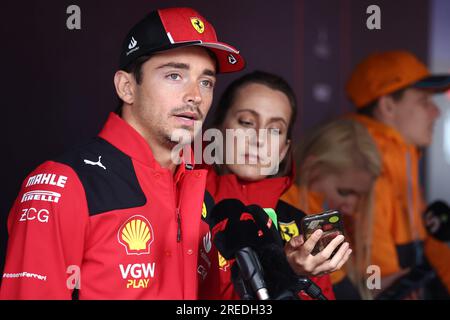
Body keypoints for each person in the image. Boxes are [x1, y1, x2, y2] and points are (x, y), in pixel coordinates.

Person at [0, 7, 245, 299]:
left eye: (206, 82)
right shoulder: (61, 185)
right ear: (127, 87)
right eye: (174, 75)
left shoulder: (199, 194)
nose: (195, 95)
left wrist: (285, 270)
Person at [199, 71, 352, 300]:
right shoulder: (183, 203)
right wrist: (285, 272)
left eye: (275, 130)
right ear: (218, 130)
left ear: (283, 149)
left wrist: (296, 273)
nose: (259, 138)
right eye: (246, 122)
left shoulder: (299, 228)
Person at [345, 50, 450, 297]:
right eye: (425, 101)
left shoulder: (402, 156)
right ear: (388, 106)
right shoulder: (365, 168)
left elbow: (426, 246)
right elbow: (383, 285)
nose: (436, 112)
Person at [281, 118, 382, 299]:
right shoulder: (288, 209)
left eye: (361, 196)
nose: (352, 207)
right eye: (343, 192)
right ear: (312, 170)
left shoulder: (343, 220)